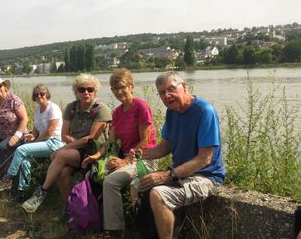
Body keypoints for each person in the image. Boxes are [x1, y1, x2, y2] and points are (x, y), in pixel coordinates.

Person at [133, 71, 225, 239]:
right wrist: (141, 154)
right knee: (136, 186)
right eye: (162, 92)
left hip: (206, 176)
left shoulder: (204, 111)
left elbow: (205, 159)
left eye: (171, 89)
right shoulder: (172, 112)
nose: (167, 95)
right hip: (180, 174)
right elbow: (163, 149)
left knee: (158, 195)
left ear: (184, 87)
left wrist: (166, 176)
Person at [80, 68, 157, 237]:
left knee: (111, 181)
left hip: (145, 159)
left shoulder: (141, 106)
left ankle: (116, 231)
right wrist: (96, 156)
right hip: (127, 158)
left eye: (122, 87)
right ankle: (92, 221)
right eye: (115, 88)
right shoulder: (117, 112)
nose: (118, 92)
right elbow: (111, 141)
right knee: (92, 174)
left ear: (131, 86)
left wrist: (125, 161)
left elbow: (145, 140)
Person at [21, 73, 111, 213]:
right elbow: (64, 135)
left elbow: (91, 138)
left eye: (90, 89)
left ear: (95, 90)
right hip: (75, 151)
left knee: (61, 155)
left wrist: (66, 147)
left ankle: (42, 192)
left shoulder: (100, 109)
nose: (86, 92)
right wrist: (73, 143)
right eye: (81, 89)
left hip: (94, 152)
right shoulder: (71, 108)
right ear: (76, 92)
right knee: (63, 173)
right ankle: (70, 209)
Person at [0, 84, 64, 194]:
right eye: (36, 94)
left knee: (21, 150)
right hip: (44, 142)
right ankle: (23, 191)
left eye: (42, 93)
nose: (39, 96)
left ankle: (7, 179)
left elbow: (50, 131)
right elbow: (36, 130)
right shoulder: (37, 110)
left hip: (54, 142)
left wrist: (36, 140)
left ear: (47, 94)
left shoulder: (53, 108)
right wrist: (32, 136)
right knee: (25, 162)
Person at [0, 77, 28, 186]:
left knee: (1, 149)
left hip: (17, 133)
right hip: (1, 134)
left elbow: (24, 119)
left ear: (5, 87)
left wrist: (17, 136)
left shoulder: (13, 100)